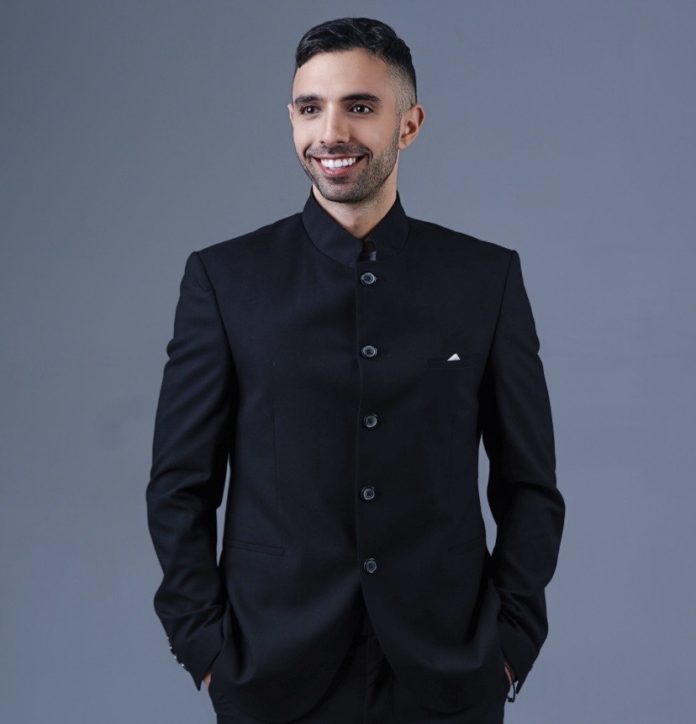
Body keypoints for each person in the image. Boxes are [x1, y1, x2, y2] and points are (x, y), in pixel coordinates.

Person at [146, 16, 565, 724]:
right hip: (270, 671)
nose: (331, 132)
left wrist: (511, 642)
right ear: (291, 119)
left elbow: (530, 484)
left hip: (449, 671)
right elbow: (179, 486)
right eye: (311, 108)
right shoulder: (225, 280)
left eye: (360, 106)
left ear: (410, 124)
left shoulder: (484, 279)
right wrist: (205, 647)